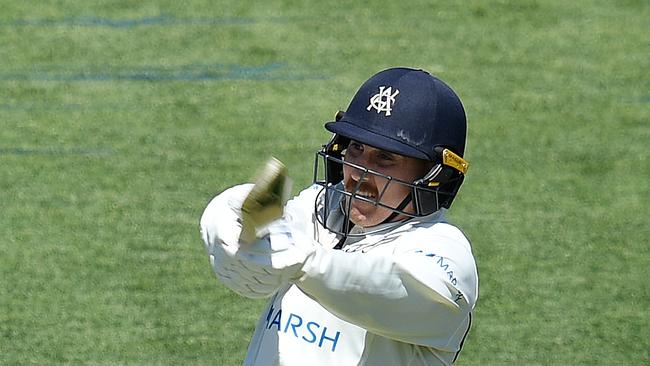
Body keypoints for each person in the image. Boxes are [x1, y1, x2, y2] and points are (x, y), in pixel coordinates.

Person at [200, 67, 478, 365]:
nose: (359, 170)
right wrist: (235, 217)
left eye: (385, 158)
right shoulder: (324, 209)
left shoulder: (446, 253)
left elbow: (388, 290)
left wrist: (305, 260)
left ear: (435, 177)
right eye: (356, 148)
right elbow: (251, 277)